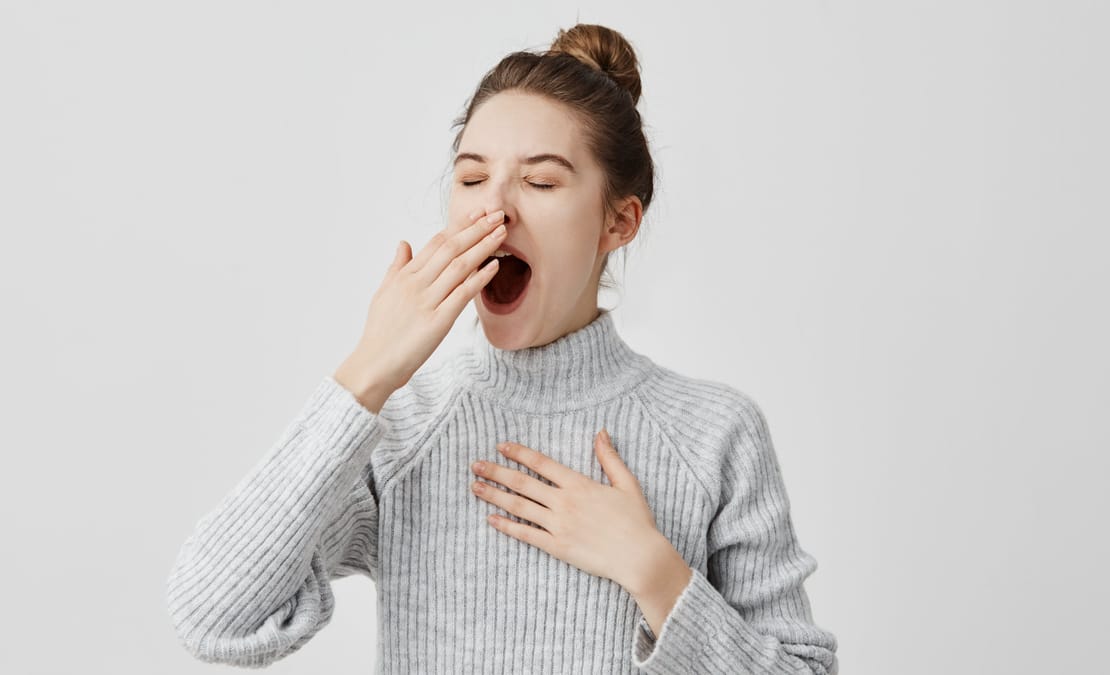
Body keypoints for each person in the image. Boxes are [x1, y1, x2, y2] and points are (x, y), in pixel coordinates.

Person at [165, 23, 838, 674]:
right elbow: (211, 614)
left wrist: (655, 572)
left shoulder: (714, 434)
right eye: (470, 178)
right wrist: (366, 373)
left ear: (619, 219)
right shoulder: (405, 427)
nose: (495, 211)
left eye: (540, 182)